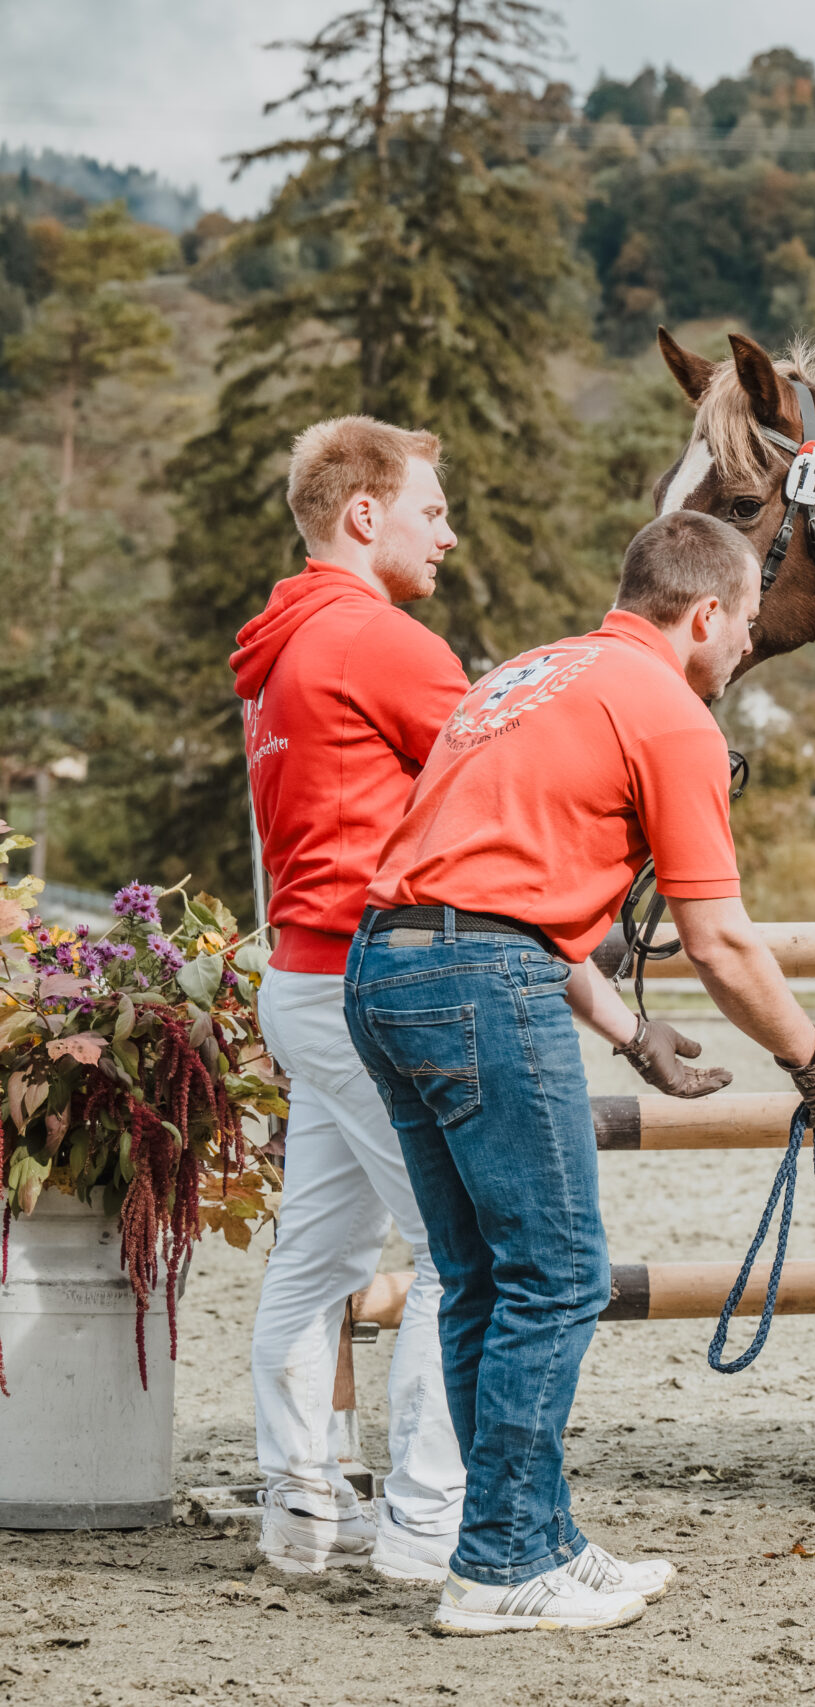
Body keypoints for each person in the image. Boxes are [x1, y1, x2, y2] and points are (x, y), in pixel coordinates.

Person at [344, 510, 815, 1636]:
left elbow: (491, 878)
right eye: (745, 636)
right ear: (707, 614)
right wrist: (813, 1059)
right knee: (559, 1278)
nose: (741, 658)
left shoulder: (526, 675)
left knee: (487, 1278)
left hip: (385, 966)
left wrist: (631, 1035)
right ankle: (496, 1566)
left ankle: (535, 1539)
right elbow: (720, 941)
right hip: (485, 979)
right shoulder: (667, 711)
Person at [231, 417, 473, 1581]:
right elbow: (501, 790)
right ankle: (431, 1525)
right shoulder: (385, 643)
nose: (451, 536)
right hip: (370, 981)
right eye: (433, 511)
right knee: (456, 1252)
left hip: (299, 976)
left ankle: (301, 1506)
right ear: (364, 515)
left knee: (317, 1255)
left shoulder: (278, 649)